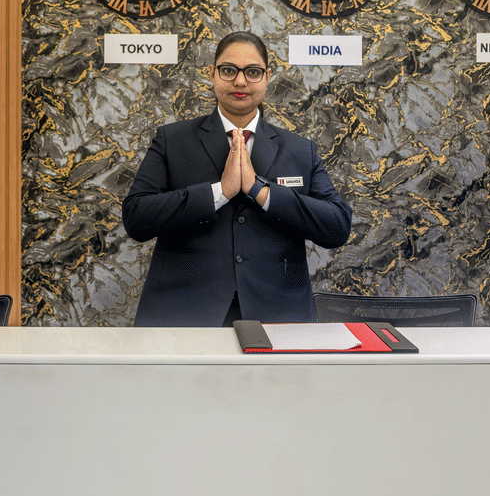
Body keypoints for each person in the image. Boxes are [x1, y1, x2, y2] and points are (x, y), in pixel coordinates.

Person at [122, 31, 352, 326]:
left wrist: (262, 192)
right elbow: (137, 218)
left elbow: (337, 227)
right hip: (183, 313)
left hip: (278, 315)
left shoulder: (299, 150)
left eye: (253, 72)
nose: (240, 82)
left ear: (267, 77)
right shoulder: (172, 140)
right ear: (212, 74)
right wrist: (220, 192)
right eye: (229, 70)